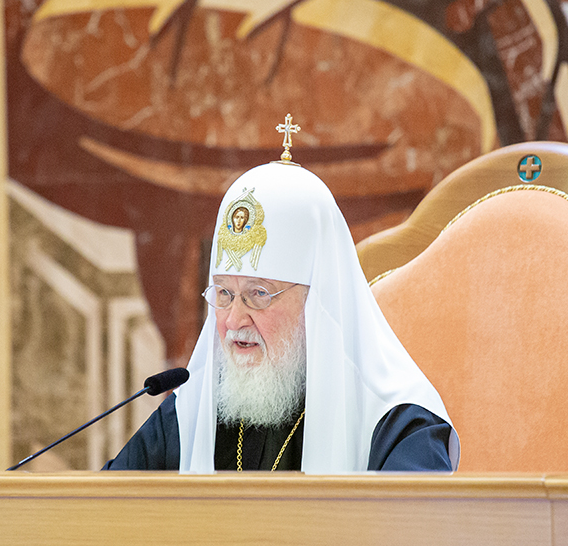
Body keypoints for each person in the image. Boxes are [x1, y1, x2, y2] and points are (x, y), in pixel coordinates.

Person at [105, 148, 457, 473]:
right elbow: (103, 504)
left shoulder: (399, 423)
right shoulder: (195, 407)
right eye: (224, 293)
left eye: (258, 294)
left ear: (316, 301)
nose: (233, 320)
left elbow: (418, 521)